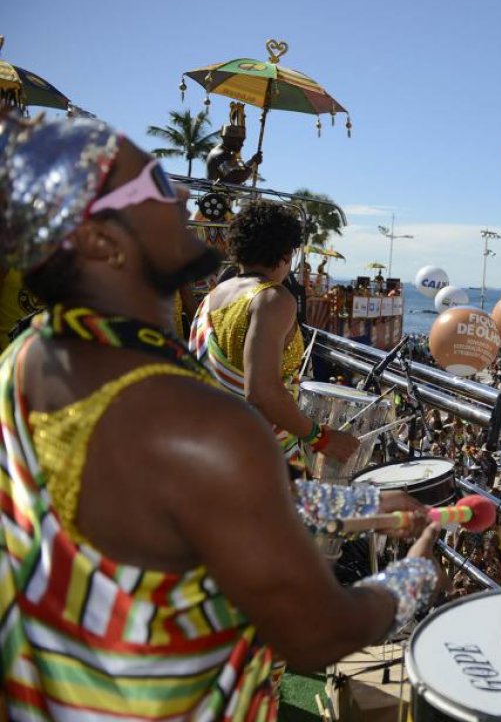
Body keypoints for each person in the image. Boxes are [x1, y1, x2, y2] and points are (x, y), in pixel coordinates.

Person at [0, 114, 441, 718]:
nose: (182, 192)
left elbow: (217, 501)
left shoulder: (25, 358)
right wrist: (412, 581)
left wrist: (367, 506)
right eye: (154, 186)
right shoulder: (197, 423)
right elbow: (316, 630)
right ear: (103, 243)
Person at [190, 199, 358, 478]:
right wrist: (322, 438)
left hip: (208, 444)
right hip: (254, 456)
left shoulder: (214, 296)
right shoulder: (272, 298)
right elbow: (260, 391)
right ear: (285, 254)